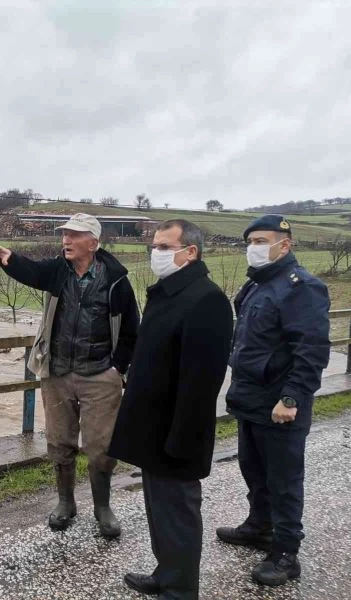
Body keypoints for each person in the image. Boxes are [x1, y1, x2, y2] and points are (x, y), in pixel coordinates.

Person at [0, 213, 138, 538]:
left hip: (100, 376)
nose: (66, 240)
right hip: (58, 373)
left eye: (74, 235)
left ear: (93, 243)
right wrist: (3, 256)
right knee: (60, 442)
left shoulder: (117, 280)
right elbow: (31, 271)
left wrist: (117, 367)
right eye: (64, 234)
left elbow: (133, 329)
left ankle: (102, 507)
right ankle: (66, 503)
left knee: (101, 448)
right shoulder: (58, 271)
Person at [109, 219, 234, 599]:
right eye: (156, 246)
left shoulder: (206, 299)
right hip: (152, 429)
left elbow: (201, 383)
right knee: (159, 512)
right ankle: (166, 574)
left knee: (178, 515)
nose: (156, 253)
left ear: (190, 252)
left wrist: (181, 441)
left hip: (176, 435)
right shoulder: (168, 293)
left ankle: (180, 591)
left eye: (164, 247)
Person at [217, 215, 330, 587]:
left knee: (283, 479)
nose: (254, 247)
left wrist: (292, 397)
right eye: (250, 240)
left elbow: (311, 350)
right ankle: (259, 525)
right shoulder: (257, 285)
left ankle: (286, 553)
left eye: (262, 240)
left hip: (280, 403)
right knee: (253, 469)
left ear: (286, 244)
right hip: (250, 397)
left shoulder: (302, 288)